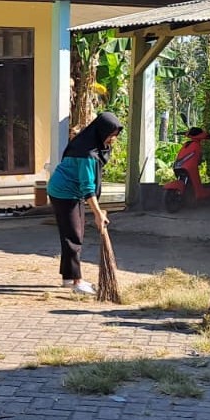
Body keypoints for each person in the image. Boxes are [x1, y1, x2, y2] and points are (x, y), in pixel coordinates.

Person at [47, 112, 123, 295]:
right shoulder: (86, 153)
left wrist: (98, 211)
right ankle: (77, 282)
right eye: (110, 135)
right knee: (74, 236)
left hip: (71, 192)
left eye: (115, 135)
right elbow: (88, 186)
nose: (112, 139)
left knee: (73, 233)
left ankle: (68, 277)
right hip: (64, 192)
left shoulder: (92, 145)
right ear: (101, 131)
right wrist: (98, 214)